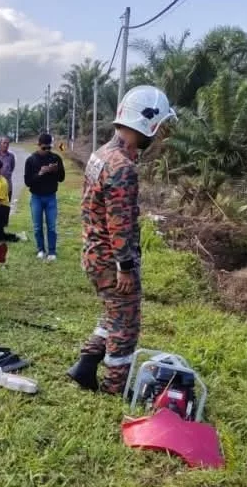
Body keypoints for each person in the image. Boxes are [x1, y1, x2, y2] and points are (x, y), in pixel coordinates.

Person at [68, 85, 176, 395]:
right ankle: (115, 388)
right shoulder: (123, 168)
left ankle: (86, 365)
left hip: (93, 252)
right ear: (149, 125)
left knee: (112, 315)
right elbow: (120, 224)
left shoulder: (101, 155)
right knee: (125, 327)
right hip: (111, 259)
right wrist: (125, 267)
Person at [24, 133, 66, 261]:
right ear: (38, 145)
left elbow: (62, 178)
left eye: (49, 148)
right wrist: (40, 173)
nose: (47, 151)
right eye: (44, 148)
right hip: (36, 197)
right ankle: (41, 249)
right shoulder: (31, 160)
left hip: (51, 197)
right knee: (37, 226)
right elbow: (28, 182)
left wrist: (55, 171)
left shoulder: (56, 158)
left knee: (52, 226)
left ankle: (52, 251)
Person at [0, 136, 17, 202]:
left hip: (7, 187)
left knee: (6, 209)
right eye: (4, 143)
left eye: (7, 143)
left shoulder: (11, 156)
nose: (6, 145)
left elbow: (12, 168)